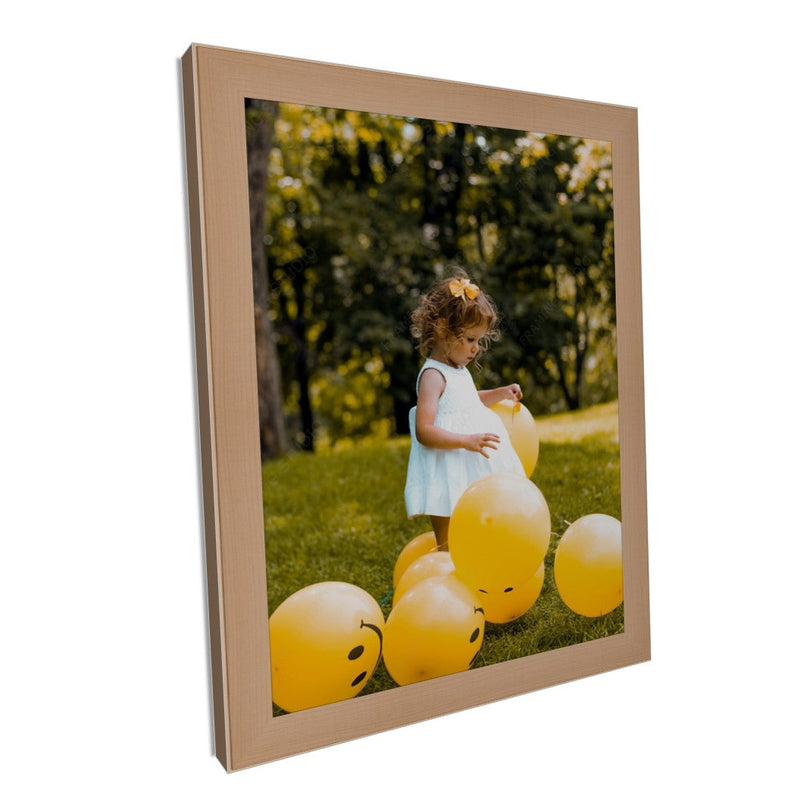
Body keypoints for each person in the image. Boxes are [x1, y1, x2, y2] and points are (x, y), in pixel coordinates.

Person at [404, 272, 526, 551]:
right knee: (449, 542)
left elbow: (466, 403)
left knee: (477, 528)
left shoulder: (457, 370)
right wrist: (466, 441)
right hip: (447, 466)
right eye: (471, 339)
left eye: (479, 340)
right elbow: (424, 430)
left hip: (468, 462)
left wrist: (499, 393)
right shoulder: (433, 375)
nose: (476, 349)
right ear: (444, 331)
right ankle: (445, 566)